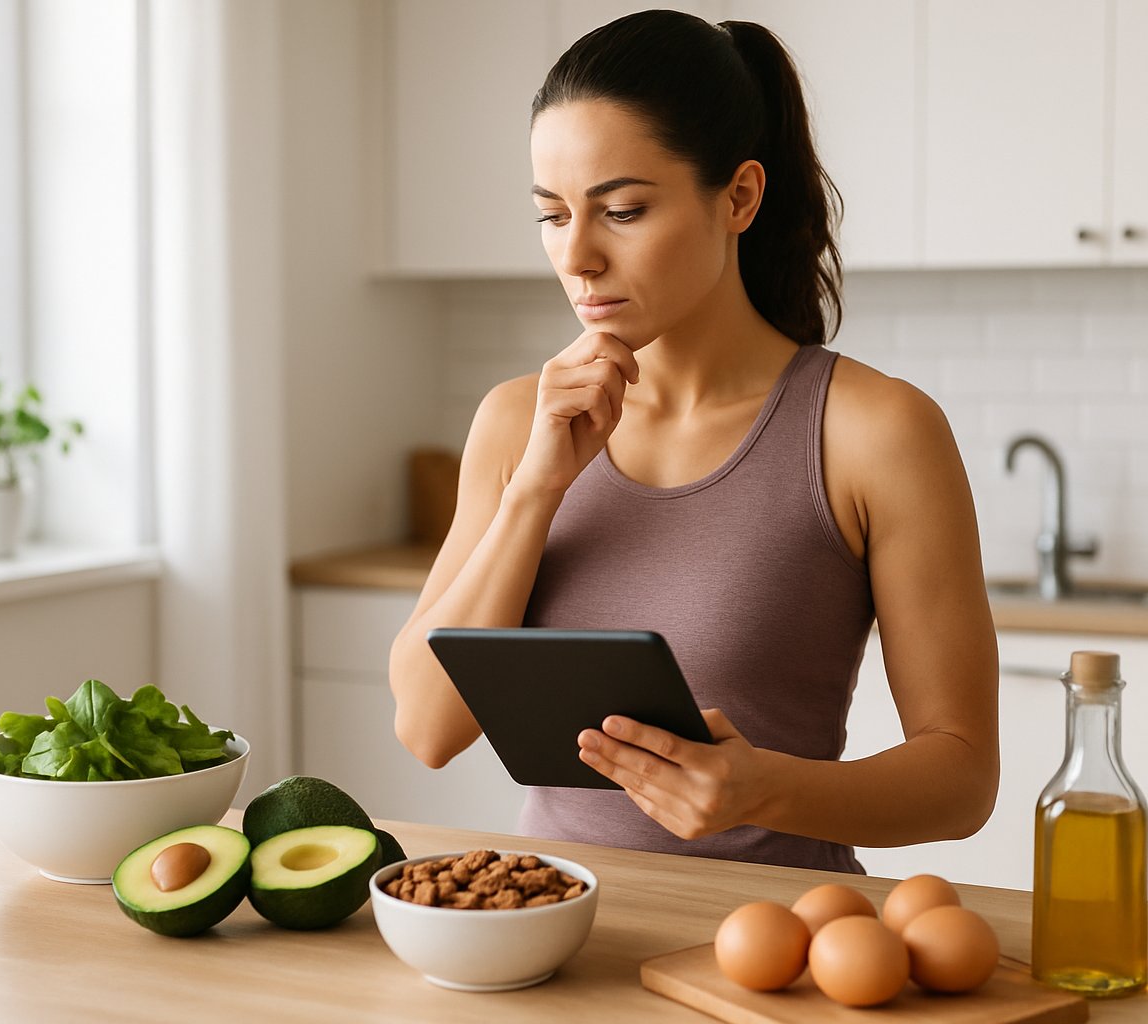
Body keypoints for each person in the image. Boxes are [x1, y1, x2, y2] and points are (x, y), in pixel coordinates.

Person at [389, 10, 998, 873]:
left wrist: (764, 790)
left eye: (624, 210)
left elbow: (964, 777)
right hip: (553, 935)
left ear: (739, 197)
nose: (579, 257)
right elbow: (426, 726)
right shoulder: (516, 424)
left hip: (777, 958)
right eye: (552, 216)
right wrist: (535, 490)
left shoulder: (875, 432)